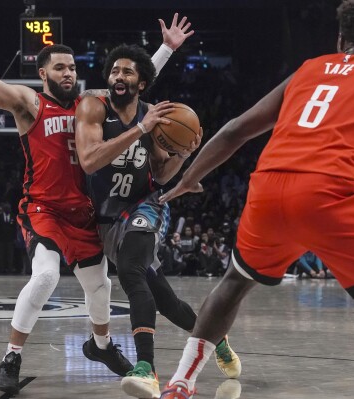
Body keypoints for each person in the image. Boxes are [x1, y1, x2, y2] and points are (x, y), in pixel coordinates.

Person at [0, 10, 195, 396]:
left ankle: (101, 347)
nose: (68, 73)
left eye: (72, 67)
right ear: (43, 74)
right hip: (43, 209)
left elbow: (133, 84)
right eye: (59, 68)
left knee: (100, 285)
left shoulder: (92, 105)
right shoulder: (29, 104)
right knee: (46, 276)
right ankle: (11, 356)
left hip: (84, 213)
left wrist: (166, 49)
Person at [158, 1, 354, 397]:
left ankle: (180, 383)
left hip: (268, 189)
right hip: (329, 192)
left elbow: (236, 130)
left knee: (235, 281)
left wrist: (189, 178)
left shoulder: (308, 69)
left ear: (340, 39)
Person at [75, 43, 241, 399]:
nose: (119, 76)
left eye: (128, 72)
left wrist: (184, 152)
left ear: (141, 84)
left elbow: (163, 175)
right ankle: (217, 340)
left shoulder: (153, 114)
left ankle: (146, 369)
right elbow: (89, 161)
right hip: (105, 216)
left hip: (145, 205)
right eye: (115, 71)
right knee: (165, 300)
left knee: (132, 271)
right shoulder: (93, 106)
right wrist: (139, 129)